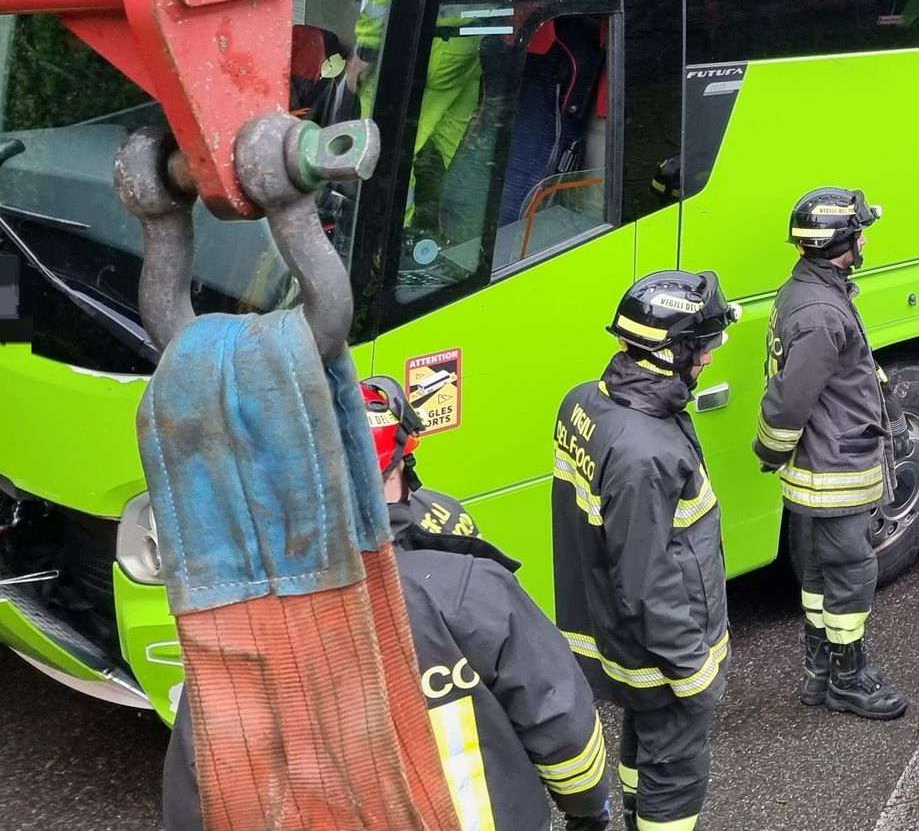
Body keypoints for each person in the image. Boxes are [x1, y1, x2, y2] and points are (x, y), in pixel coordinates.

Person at [164, 377, 612, 831]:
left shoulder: (239, 627)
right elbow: (563, 725)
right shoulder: (466, 588)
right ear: (400, 461)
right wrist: (587, 810)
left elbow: (198, 789)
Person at [554, 270, 741, 831]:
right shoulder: (645, 451)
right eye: (701, 347)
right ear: (668, 352)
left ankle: (636, 815)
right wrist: (693, 672)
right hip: (663, 649)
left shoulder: (586, 402)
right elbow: (645, 578)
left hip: (623, 640)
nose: (707, 358)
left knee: (645, 739)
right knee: (677, 768)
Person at [753, 187, 909, 722]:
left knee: (820, 578)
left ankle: (820, 675)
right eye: (858, 231)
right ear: (841, 243)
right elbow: (789, 400)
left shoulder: (808, 292)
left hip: (819, 468)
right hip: (835, 472)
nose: (864, 238)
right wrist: (769, 448)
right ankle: (849, 680)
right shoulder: (821, 312)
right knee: (851, 575)